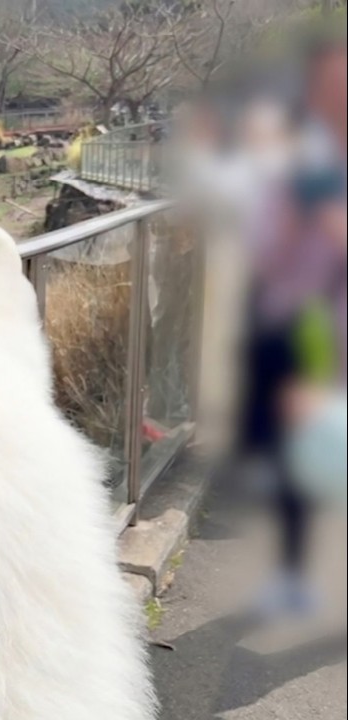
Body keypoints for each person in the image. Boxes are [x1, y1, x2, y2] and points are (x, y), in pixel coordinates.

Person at [236, 36, 347, 618]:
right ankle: (293, 573)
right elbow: (266, 253)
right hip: (306, 330)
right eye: (329, 83)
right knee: (299, 457)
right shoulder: (299, 166)